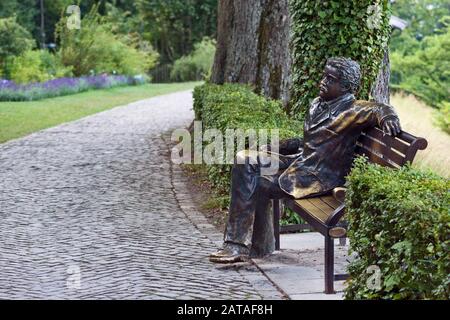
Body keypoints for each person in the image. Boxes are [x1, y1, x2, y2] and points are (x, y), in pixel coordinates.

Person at [209, 57, 401, 263]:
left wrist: (388, 117)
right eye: (324, 75)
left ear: (345, 86)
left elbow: (378, 108)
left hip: (317, 178)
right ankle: (252, 246)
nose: (323, 81)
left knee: (254, 180)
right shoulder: (317, 103)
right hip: (300, 162)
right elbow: (311, 141)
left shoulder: (352, 110)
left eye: (330, 78)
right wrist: (278, 146)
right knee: (245, 159)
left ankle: (239, 246)